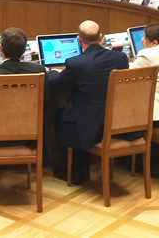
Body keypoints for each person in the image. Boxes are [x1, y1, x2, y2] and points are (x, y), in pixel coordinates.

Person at [49, 20, 128, 183]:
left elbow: (56, 85)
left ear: (78, 39)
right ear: (100, 37)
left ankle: (73, 171)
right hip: (116, 123)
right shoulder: (121, 58)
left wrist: (53, 73)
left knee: (59, 116)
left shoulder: (76, 63)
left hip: (88, 127)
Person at [0, 27, 48, 182]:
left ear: (0, 48)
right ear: (25, 50)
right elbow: (45, 104)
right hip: (30, 137)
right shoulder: (39, 71)